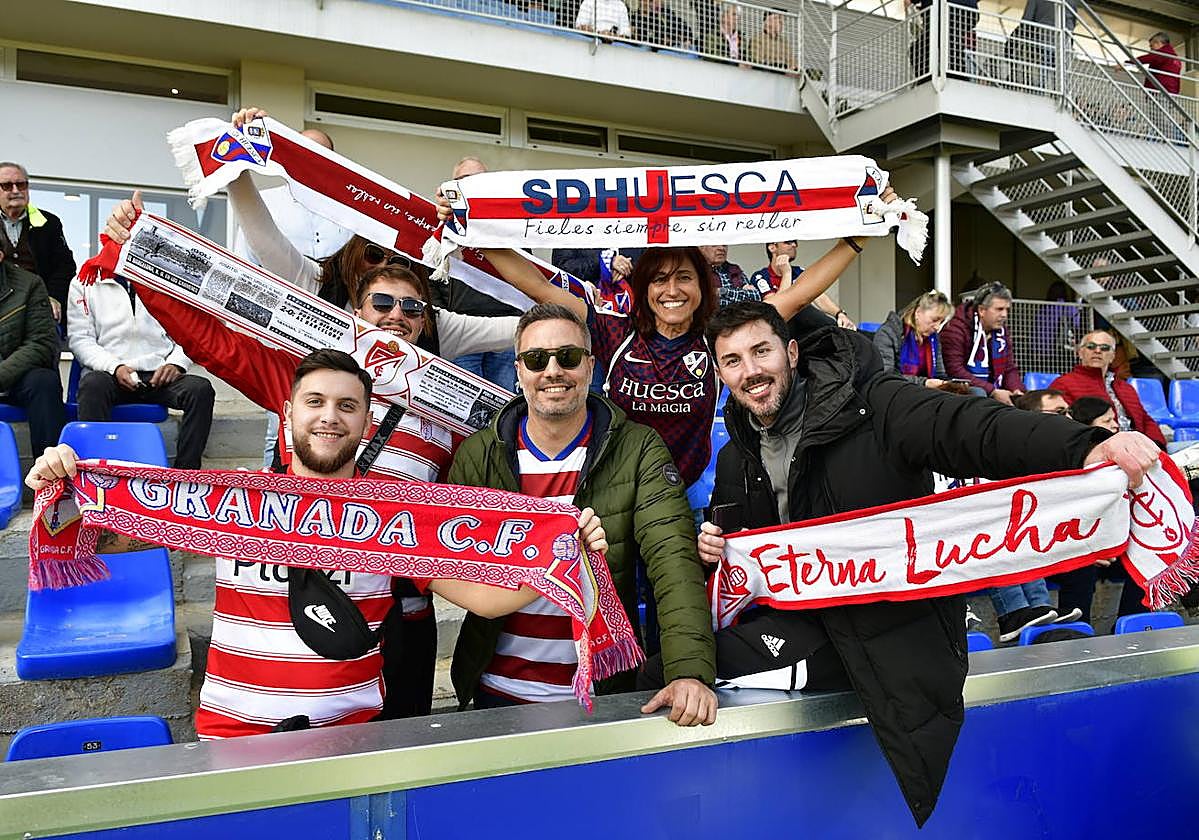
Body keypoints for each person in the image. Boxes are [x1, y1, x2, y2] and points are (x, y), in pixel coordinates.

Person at [690, 300, 1160, 825]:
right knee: (682, 665)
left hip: (891, 632)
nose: (751, 371)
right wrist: (715, 550)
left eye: (761, 351)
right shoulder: (735, 454)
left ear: (793, 353)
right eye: (733, 361)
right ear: (721, 374)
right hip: (802, 626)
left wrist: (1087, 446)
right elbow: (741, 549)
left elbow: (974, 428)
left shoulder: (877, 405)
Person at [25, 349, 607, 739]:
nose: (330, 417)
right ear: (287, 415)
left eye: (347, 406)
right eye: (316, 402)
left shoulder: (397, 512)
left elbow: (487, 599)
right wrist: (60, 483)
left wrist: (567, 550)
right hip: (231, 744)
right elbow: (97, 538)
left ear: (366, 423)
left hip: (351, 745)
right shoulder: (231, 499)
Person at [446, 303, 716, 725]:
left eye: (568, 357)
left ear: (590, 366)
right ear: (518, 371)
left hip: (600, 694)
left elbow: (673, 561)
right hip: (496, 690)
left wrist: (689, 671)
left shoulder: (638, 448)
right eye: (537, 359)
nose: (553, 371)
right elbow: (448, 562)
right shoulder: (479, 454)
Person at [67, 273, 216, 470]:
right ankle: (98, 472)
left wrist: (176, 364)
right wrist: (114, 367)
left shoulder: (166, 277)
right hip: (110, 373)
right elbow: (80, 340)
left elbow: (187, 334)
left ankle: (186, 473)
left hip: (158, 374)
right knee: (92, 385)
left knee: (200, 390)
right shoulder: (84, 282)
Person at [439, 156, 521, 393]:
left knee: (504, 402)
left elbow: (526, 278)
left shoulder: (511, 225)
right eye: (466, 178)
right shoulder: (442, 226)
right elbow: (430, 277)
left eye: (482, 179)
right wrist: (442, 320)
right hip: (462, 329)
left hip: (506, 331)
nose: (474, 183)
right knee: (461, 403)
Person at [232, 128, 352, 266]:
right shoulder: (264, 202)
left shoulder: (350, 211)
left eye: (321, 154)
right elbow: (244, 261)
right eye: (304, 150)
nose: (312, 159)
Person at [1050, 329, 1166, 447]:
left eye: (1104, 348)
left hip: (1137, 446)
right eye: (1091, 346)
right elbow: (1062, 424)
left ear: (1112, 356)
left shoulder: (1126, 387)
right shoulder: (1063, 384)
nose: (1097, 351)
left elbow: (1145, 419)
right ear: (1080, 352)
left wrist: (1157, 445)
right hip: (1097, 448)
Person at [0, 250, 65, 455]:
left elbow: (41, 343)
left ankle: (50, 469)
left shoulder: (29, 285)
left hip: (15, 375)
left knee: (44, 382)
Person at [0, 162, 76, 324]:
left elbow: (65, 267)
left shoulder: (50, 223)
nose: (16, 191)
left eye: (21, 185)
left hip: (39, 309)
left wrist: (54, 297)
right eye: (7, 186)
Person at [940, 282, 1024, 404]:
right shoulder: (955, 329)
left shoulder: (1002, 332)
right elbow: (955, 370)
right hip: (959, 391)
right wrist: (992, 391)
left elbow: (1009, 368)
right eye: (999, 309)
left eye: (1007, 309)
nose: (1004, 315)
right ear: (981, 310)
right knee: (979, 394)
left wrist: (1016, 389)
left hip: (990, 389)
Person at [749, 240, 855, 328]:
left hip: (804, 330)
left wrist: (839, 314)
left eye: (795, 242)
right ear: (772, 247)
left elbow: (819, 297)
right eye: (788, 242)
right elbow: (777, 310)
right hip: (779, 331)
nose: (794, 245)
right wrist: (786, 274)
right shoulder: (761, 276)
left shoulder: (799, 271)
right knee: (802, 309)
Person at [872, 290, 952, 388]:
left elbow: (940, 374)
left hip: (924, 391)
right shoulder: (888, 333)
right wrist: (924, 383)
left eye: (941, 322)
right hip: (897, 391)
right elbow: (886, 376)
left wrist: (947, 384)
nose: (937, 327)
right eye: (934, 320)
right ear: (918, 312)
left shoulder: (933, 338)